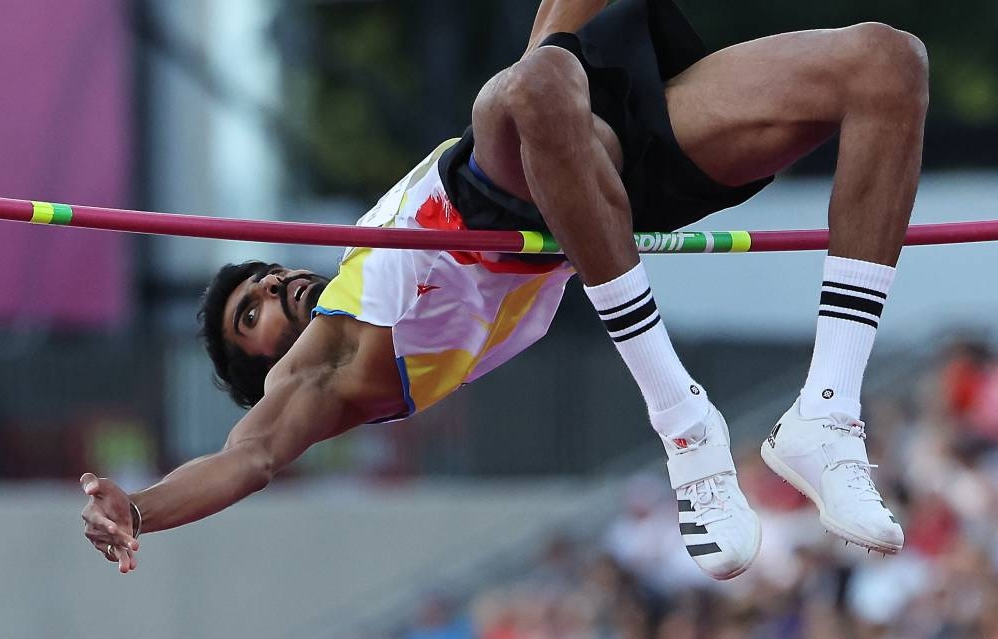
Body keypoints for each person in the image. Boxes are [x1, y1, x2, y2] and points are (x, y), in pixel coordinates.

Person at [80, 0, 928, 579]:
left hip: (593, 156)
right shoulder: (329, 370)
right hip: (507, 173)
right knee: (529, 89)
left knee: (887, 63)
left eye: (260, 277)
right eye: (251, 312)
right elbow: (248, 457)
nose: (270, 283)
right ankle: (684, 425)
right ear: (267, 368)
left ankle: (826, 413)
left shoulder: (359, 264)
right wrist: (141, 510)